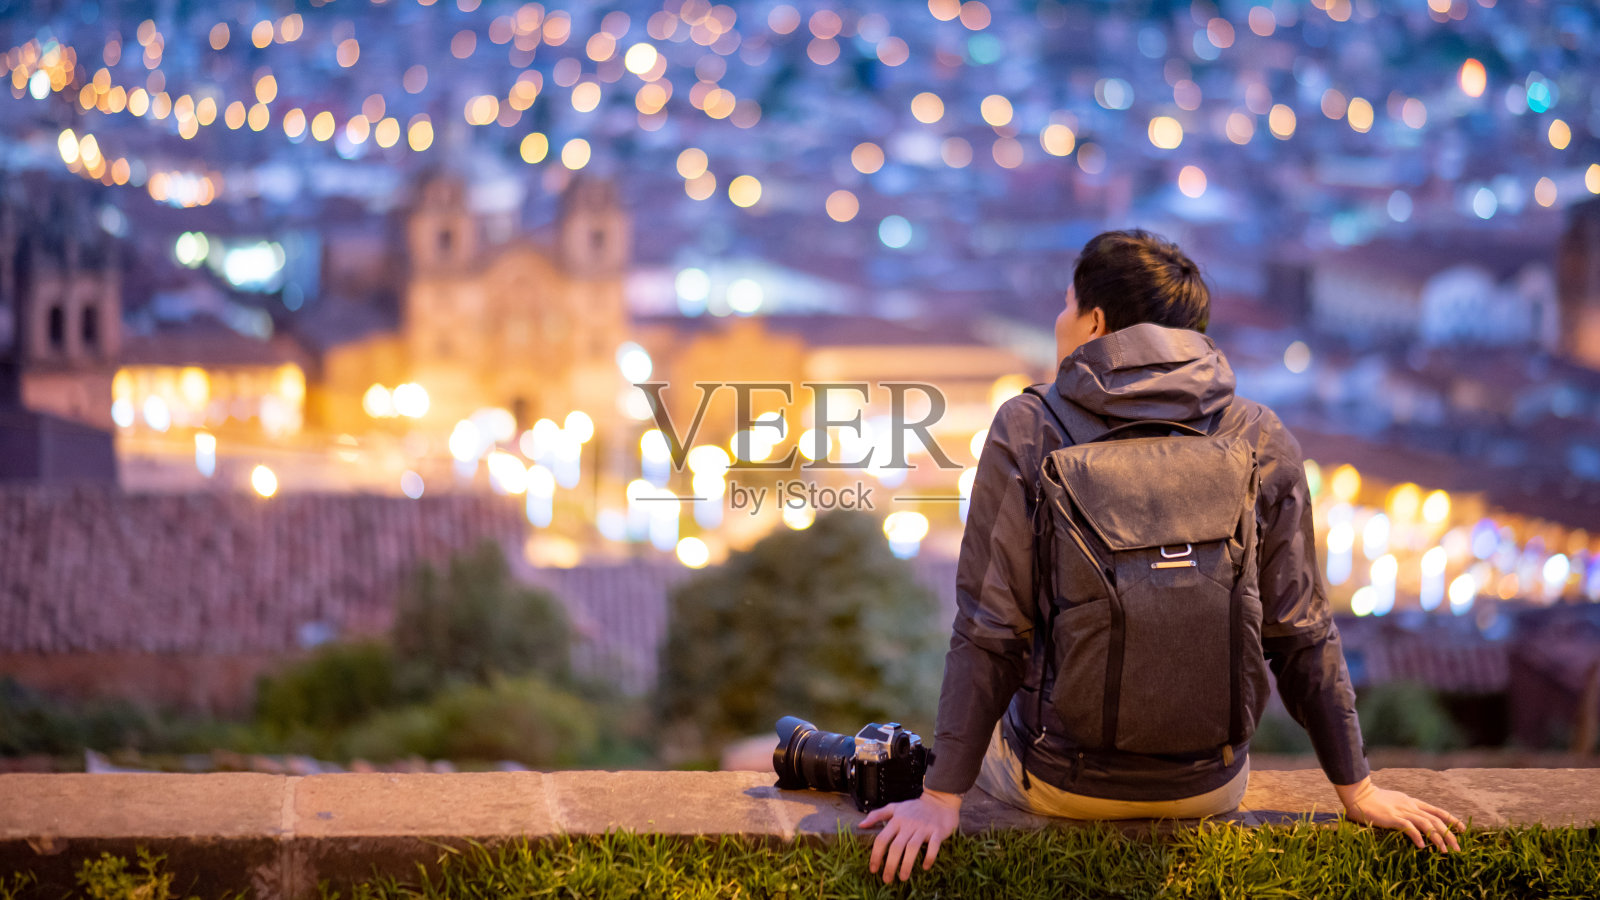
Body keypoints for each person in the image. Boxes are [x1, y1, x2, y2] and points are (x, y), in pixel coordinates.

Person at [860, 230, 1464, 884]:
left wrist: (942, 798)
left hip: (1063, 781)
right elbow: (1300, 630)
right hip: (1213, 784)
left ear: (1094, 321)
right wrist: (1358, 788)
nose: (1059, 322)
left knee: (911, 758)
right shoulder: (1258, 434)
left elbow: (989, 631)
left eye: (1066, 307)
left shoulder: (1029, 427)